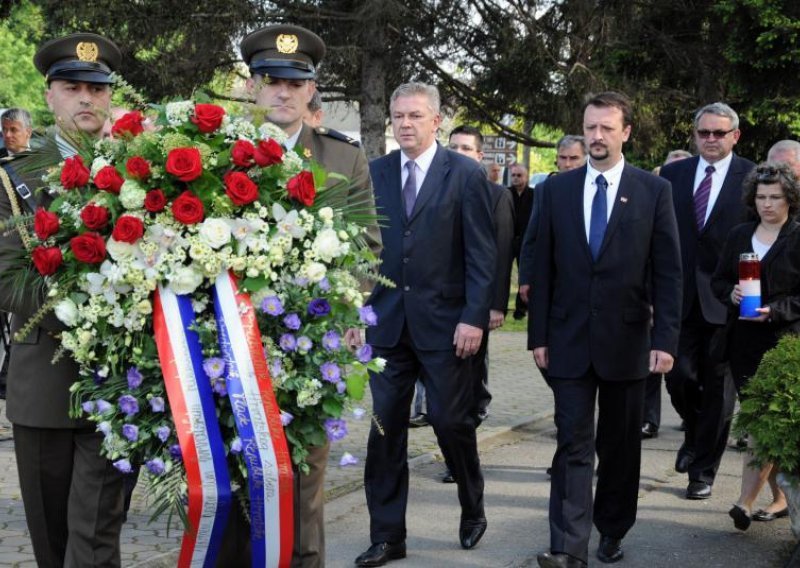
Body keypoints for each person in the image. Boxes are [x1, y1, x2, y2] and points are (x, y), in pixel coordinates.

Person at [239, 24, 380, 567]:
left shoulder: (343, 158)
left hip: (312, 346)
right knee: (236, 474)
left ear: (311, 89)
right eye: (271, 80)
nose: (283, 92)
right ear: (254, 86)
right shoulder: (225, 151)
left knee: (305, 478)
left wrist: (346, 306)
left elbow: (368, 247)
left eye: (294, 83)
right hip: (233, 341)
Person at [531, 91, 682, 568]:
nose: (596, 136)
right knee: (573, 442)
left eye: (606, 128)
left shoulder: (653, 191)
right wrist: (538, 336)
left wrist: (665, 342)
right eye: (590, 127)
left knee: (619, 447)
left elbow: (668, 272)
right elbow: (543, 267)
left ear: (626, 133)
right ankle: (567, 548)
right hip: (568, 340)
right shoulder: (556, 189)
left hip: (628, 341)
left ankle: (613, 528)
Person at [354, 82, 495, 567]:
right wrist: (356, 311)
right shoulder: (374, 173)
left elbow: (482, 254)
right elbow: (361, 251)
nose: (405, 124)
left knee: (451, 422)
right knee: (385, 430)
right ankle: (388, 535)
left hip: (447, 325)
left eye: (415, 116)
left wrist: (474, 316)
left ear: (437, 121)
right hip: (388, 326)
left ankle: (472, 504)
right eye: (398, 116)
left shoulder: (465, 174)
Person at [0, 33, 125, 567]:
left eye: (97, 90)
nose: (85, 99)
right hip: (45, 388)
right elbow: (5, 279)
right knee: (53, 544)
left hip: (124, 387)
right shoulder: (13, 180)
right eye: (72, 87)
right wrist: (85, 312)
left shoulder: (143, 172)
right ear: (49, 96)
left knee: (96, 540)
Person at [660, 102, 755, 500]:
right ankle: (697, 434)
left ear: (735, 136)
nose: (711, 140)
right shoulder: (673, 174)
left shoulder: (750, 176)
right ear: (695, 135)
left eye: (719, 133)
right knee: (678, 378)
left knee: (718, 391)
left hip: (726, 300)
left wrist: (751, 293)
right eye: (704, 133)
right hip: (678, 298)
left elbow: (760, 236)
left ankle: (703, 472)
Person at [710, 162, 800, 531]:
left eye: (775, 197)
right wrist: (729, 293)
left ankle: (745, 502)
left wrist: (776, 310)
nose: (767, 204)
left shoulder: (798, 237)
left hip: (784, 345)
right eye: (761, 197)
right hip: (743, 344)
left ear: (790, 199)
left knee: (763, 425)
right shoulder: (739, 235)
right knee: (763, 424)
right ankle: (780, 498)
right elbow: (717, 280)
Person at [641, 148, 694, 440]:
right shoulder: (650, 199)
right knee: (649, 365)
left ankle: (694, 419)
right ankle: (648, 418)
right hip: (654, 296)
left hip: (695, 298)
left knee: (685, 374)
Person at [518, 134, 588, 305]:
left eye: (574, 158)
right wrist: (525, 278)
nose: (568, 164)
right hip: (555, 280)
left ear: (586, 158)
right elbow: (531, 238)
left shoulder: (597, 189)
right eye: (563, 158)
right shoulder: (544, 190)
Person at [508, 163, 533, 319]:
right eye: (513, 175)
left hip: (526, 239)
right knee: (503, 273)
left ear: (526, 176)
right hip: (508, 239)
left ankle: (521, 308)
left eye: (519, 175)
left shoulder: (534, 194)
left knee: (524, 273)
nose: (516, 178)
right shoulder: (506, 193)